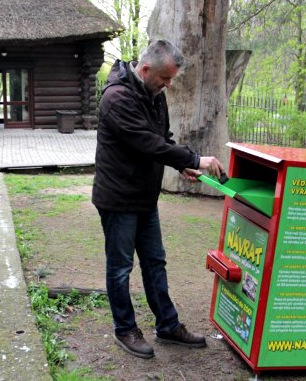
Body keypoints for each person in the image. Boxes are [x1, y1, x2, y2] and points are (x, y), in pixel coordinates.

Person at [92, 39, 225, 359]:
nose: (168, 85)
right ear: (146, 69)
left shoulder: (154, 95)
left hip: (144, 198)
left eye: (171, 80)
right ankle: (124, 328)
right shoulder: (117, 98)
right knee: (121, 267)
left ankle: (168, 325)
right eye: (165, 78)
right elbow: (147, 143)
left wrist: (183, 165)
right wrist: (194, 159)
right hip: (118, 199)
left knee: (155, 263)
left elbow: (162, 139)